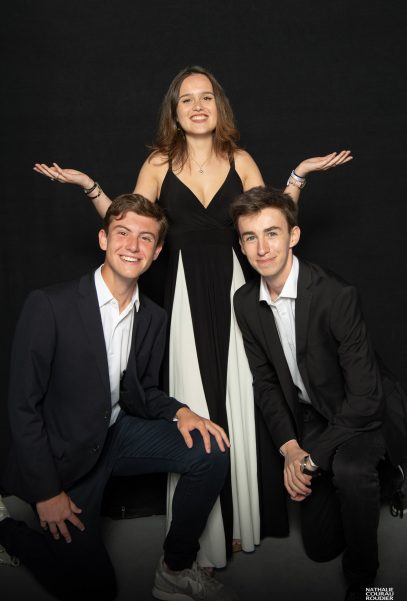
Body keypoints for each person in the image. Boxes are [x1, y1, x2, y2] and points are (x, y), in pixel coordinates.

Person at [33, 65, 352, 567]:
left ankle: (242, 522)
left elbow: (272, 221)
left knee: (242, 399)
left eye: (206, 97)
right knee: (198, 404)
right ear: (175, 112)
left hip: (235, 291)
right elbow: (130, 224)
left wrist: (298, 178)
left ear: (219, 107)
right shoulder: (158, 163)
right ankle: (207, 531)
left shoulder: (240, 160)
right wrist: (90, 186)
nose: (198, 106)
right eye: (187, 99)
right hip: (181, 295)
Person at [0, 193, 240, 601]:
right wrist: (46, 493)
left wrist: (182, 412)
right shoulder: (50, 305)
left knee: (212, 448)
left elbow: (142, 391)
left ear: (157, 251)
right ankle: (6, 529)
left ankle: (175, 568)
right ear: (103, 239)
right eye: (122, 233)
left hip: (117, 434)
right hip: (65, 456)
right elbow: (23, 408)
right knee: (93, 593)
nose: (133, 245)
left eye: (145, 238)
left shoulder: (154, 317)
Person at [231, 185, 407, 601]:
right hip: (313, 415)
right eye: (250, 237)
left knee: (349, 468)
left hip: (363, 410)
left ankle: (366, 587)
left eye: (272, 233)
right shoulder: (245, 302)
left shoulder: (335, 294)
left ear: (293, 235)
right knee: (320, 547)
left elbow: (365, 398)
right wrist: (290, 448)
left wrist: (310, 460)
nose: (262, 248)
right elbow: (266, 383)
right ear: (241, 244)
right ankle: (385, 481)